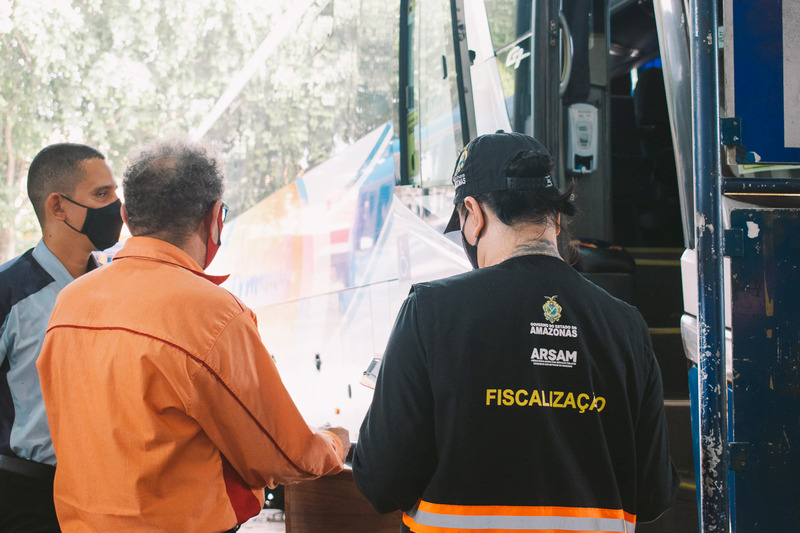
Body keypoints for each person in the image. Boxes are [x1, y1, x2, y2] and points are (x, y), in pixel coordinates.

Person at [352, 132, 679, 532]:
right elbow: (653, 495)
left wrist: (391, 394)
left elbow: (380, 483)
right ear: (555, 217)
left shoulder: (429, 312)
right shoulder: (626, 327)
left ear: (473, 214)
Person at [37, 138, 350, 532]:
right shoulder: (212, 314)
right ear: (216, 217)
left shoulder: (69, 302)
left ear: (126, 216)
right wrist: (334, 443)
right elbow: (283, 456)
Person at [0, 143, 123, 532]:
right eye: (101, 194)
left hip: (106, 494)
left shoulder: (118, 288)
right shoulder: (9, 292)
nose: (117, 207)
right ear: (58, 206)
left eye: (115, 193)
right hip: (26, 496)